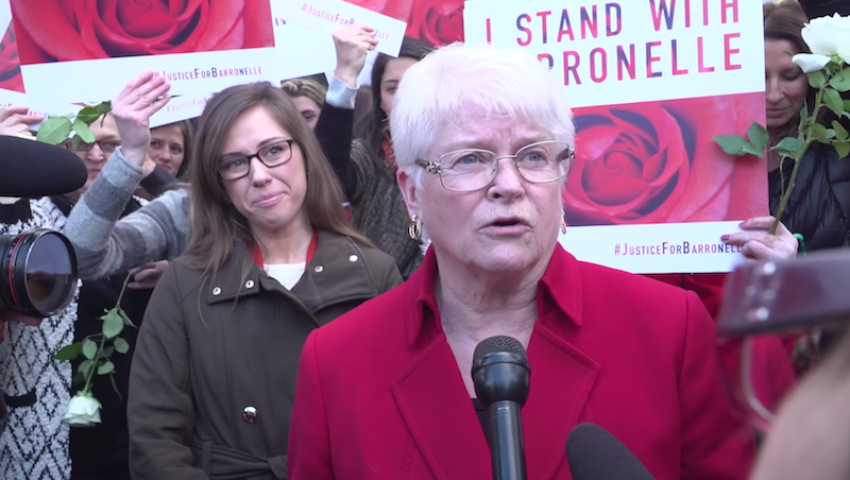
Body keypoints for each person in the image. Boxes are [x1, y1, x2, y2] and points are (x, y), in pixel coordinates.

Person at [287, 44, 754, 480]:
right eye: (471, 159)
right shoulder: (335, 362)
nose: (508, 184)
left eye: (533, 155)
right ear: (412, 192)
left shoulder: (671, 327)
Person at [123, 74, 402, 479]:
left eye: (273, 150)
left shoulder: (376, 274)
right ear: (219, 184)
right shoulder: (185, 283)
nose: (259, 175)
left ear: (304, 152)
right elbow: (154, 441)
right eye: (235, 162)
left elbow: (400, 422)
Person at [316, 26, 432, 278]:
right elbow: (326, 176)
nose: (404, 97)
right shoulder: (367, 156)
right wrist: (345, 74)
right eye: (392, 88)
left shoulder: (463, 153)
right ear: (379, 100)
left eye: (414, 84)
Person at [760, 1, 850, 252]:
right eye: (759, 76)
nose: (773, 94)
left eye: (790, 75)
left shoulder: (838, 143)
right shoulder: (712, 150)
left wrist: (795, 266)